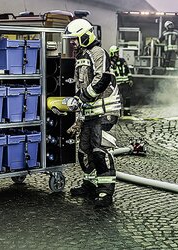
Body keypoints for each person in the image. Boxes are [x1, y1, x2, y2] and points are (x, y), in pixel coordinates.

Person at [52, 18, 124, 207]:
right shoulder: (81, 57)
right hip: (90, 114)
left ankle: (105, 192)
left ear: (85, 36)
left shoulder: (98, 53)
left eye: (75, 39)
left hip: (105, 111)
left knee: (100, 152)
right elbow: (81, 86)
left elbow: (102, 80)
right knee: (84, 151)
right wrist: (78, 114)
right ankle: (90, 184)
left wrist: (81, 97)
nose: (72, 43)